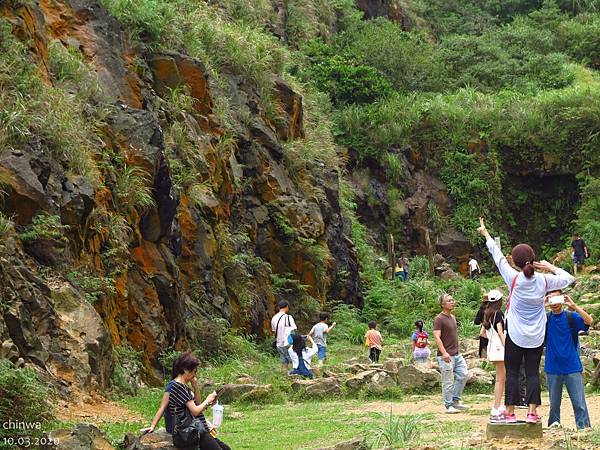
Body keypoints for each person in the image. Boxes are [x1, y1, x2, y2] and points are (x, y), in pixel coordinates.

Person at [478, 217, 575, 424]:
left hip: (515, 335)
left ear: (515, 261)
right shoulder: (544, 280)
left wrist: (485, 233)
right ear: (533, 260)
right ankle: (532, 412)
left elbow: (496, 255)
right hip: (537, 336)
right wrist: (549, 267)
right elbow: (569, 279)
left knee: (512, 372)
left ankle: (511, 412)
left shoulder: (513, 277)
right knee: (532, 373)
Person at [141, 352, 230, 450]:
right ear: (185, 370)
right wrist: (208, 400)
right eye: (194, 372)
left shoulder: (183, 386)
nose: (195, 375)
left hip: (198, 427)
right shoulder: (177, 386)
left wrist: (195, 386)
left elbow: (197, 404)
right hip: (192, 429)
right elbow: (195, 411)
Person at [545, 290, 593, 429]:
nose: (554, 303)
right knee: (554, 404)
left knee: (579, 403)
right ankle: (554, 426)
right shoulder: (545, 318)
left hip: (572, 366)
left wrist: (573, 305)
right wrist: (542, 304)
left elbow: (589, 321)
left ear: (562, 298)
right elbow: (529, 321)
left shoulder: (571, 317)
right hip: (552, 367)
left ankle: (583, 427)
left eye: (556, 298)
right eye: (551, 299)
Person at [433, 293, 469, 414]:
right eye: (449, 301)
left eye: (453, 300)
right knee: (448, 381)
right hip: (445, 356)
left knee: (463, 375)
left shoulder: (452, 317)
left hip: (457, 354)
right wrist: (444, 353)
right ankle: (448, 405)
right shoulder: (439, 319)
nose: (452, 302)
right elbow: (437, 337)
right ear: (442, 304)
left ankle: (455, 401)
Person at [481, 289, 506, 423]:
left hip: (492, 347)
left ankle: (498, 405)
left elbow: (482, 333)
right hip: (500, 349)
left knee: (500, 379)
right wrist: (506, 347)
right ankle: (496, 406)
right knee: (501, 380)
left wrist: (492, 339)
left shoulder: (487, 313)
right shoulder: (498, 313)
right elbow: (501, 333)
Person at [271, 300, 296, 373]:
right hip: (288, 343)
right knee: (293, 360)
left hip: (279, 343)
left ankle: (284, 376)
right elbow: (294, 329)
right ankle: (293, 377)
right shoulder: (288, 317)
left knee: (284, 361)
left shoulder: (274, 318)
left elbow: (274, 331)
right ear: (287, 306)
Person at [474, 293, 489, 359]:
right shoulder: (495, 310)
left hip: (483, 330)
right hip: (493, 331)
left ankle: (484, 362)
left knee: (483, 347)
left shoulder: (481, 310)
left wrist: (482, 322)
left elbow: (476, 322)